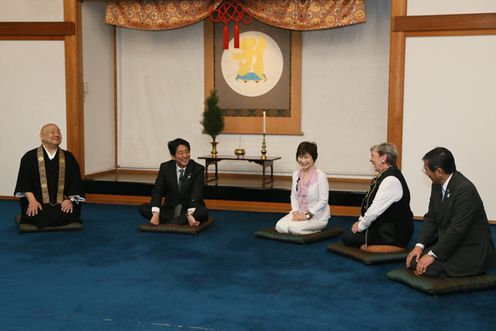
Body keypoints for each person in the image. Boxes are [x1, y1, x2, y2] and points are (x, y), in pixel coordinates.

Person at [406, 147, 496, 278]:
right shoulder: (436, 184)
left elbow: (457, 229)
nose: (425, 173)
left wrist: (432, 254)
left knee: (427, 268)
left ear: (439, 172)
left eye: (426, 169)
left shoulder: (465, 189)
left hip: (470, 247)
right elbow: (431, 217)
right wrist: (419, 246)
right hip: (450, 242)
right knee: (415, 261)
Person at [342, 143, 413, 248]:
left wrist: (361, 226)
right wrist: (361, 221)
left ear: (383, 157)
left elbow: (374, 210)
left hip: (393, 233)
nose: (371, 159)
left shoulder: (391, 180)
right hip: (384, 226)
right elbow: (369, 204)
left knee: (348, 237)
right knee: (350, 235)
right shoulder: (384, 175)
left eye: (373, 156)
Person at [14, 123, 84, 228]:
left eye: (58, 132)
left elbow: (75, 181)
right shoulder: (29, 157)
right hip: (37, 202)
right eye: (52, 132)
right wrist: (32, 201)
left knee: (69, 212)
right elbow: (24, 182)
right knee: (35, 213)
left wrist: (69, 200)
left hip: (63, 202)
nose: (57, 134)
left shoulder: (69, 157)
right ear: (42, 136)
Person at [139, 138, 208, 226]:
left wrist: (190, 213)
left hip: (189, 208)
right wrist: (156, 213)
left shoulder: (198, 168)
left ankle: (178, 220)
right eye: (180, 153)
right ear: (173, 156)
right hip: (169, 209)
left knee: (202, 212)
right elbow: (158, 190)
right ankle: (178, 221)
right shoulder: (165, 167)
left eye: (187, 152)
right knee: (143, 208)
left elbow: (197, 193)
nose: (185, 155)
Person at [275, 142, 330, 235]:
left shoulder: (321, 176)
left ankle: (316, 230)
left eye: (306, 157)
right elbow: (293, 196)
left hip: (317, 216)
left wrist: (307, 216)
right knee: (279, 226)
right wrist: (295, 212)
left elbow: (323, 201)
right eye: (300, 157)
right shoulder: (296, 174)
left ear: (313, 158)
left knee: (293, 228)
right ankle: (302, 228)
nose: (303, 160)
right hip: (300, 213)